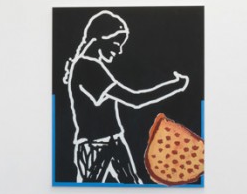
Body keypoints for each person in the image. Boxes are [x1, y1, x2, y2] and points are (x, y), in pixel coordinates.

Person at [62, 10, 191, 183]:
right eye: (117, 43)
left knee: (132, 185)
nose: (119, 50)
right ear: (102, 38)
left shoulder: (92, 65)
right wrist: (175, 86)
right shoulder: (88, 67)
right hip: (95, 146)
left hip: (114, 141)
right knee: (90, 190)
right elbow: (135, 99)